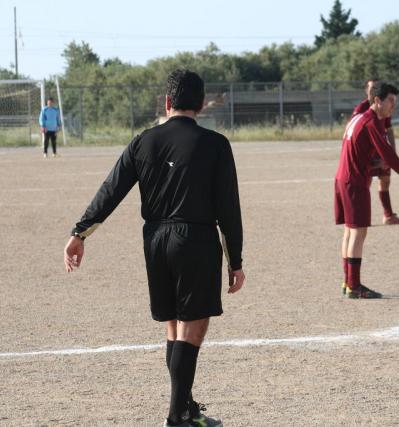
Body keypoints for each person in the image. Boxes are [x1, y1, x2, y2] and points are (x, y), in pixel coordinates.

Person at [64, 69, 245, 427]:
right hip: (195, 240)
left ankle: (186, 407)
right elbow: (228, 208)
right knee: (192, 328)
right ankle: (177, 417)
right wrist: (235, 261)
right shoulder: (215, 144)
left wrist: (80, 233)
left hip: (155, 240)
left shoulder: (143, 141)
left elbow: (111, 189)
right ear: (201, 104)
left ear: (167, 102)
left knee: (174, 327)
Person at [335, 82, 399, 299]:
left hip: (344, 178)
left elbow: (352, 149)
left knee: (350, 231)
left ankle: (348, 282)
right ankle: (354, 286)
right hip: (354, 182)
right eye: (390, 101)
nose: (393, 106)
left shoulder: (359, 117)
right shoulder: (371, 122)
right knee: (359, 232)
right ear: (377, 100)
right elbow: (390, 157)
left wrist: (371, 164)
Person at [352, 78, 399, 225]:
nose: (374, 91)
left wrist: (392, 151)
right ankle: (359, 216)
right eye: (371, 88)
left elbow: (389, 129)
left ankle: (388, 215)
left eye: (376, 88)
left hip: (381, 150)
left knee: (385, 180)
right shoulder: (361, 108)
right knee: (365, 183)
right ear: (366, 90)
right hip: (368, 153)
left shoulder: (383, 106)